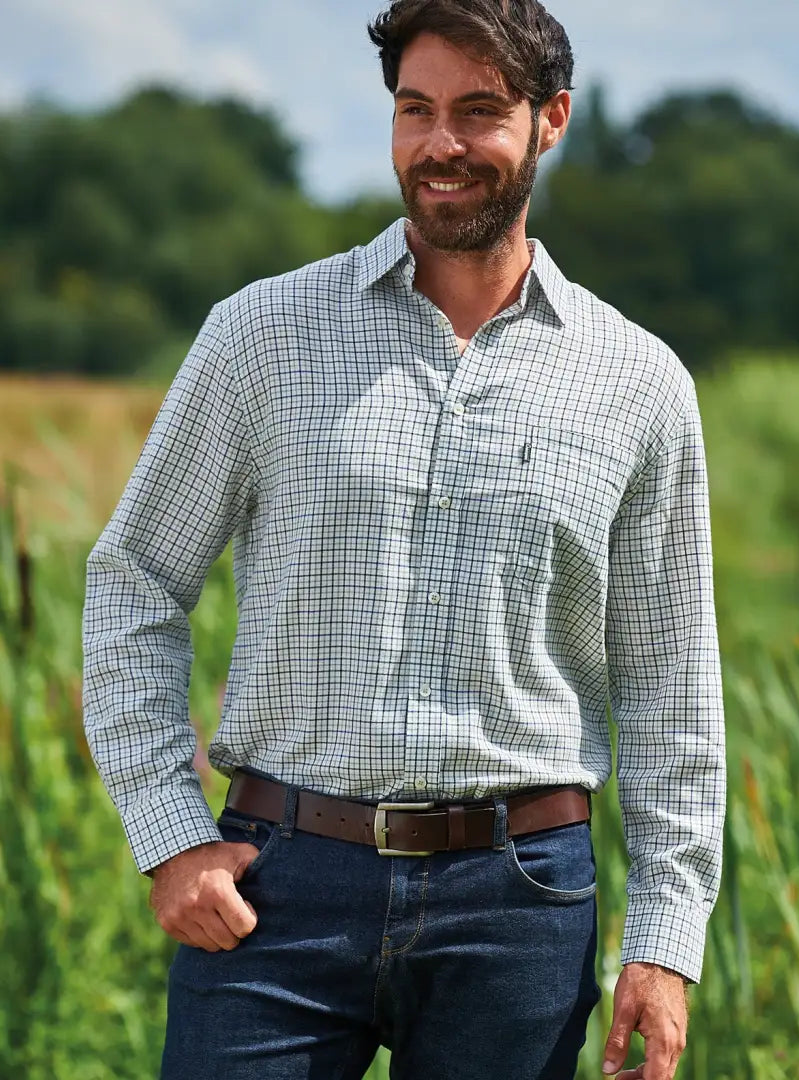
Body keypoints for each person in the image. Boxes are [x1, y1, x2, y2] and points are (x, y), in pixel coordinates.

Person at [81, 1, 726, 1078]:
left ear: (551, 119)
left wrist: (665, 945)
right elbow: (135, 580)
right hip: (276, 892)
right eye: (415, 108)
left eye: (479, 111)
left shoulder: (639, 384)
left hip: (518, 907)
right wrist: (170, 833)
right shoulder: (262, 336)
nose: (441, 143)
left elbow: (671, 687)